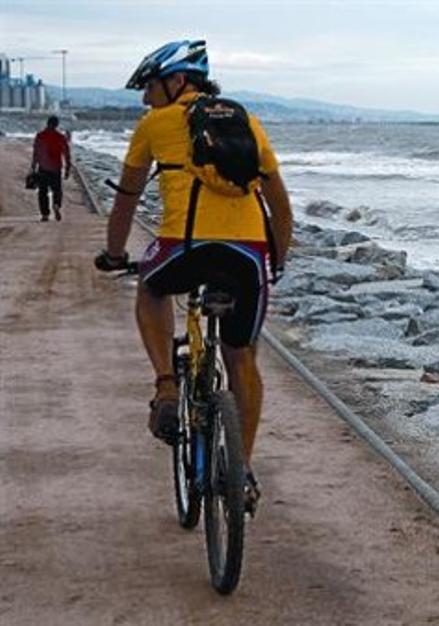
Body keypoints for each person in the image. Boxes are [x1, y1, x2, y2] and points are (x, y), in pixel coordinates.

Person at [93, 40, 293, 513]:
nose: (145, 98)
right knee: (242, 358)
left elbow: (125, 199)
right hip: (249, 257)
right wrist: (276, 260)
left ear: (178, 81)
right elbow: (280, 204)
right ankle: (241, 469)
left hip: (186, 250)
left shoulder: (154, 125)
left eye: (150, 87)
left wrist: (115, 252)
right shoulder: (246, 121)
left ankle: (165, 384)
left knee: (150, 286)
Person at [30, 115, 72, 222]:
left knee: (42, 192)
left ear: (47, 123)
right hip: (56, 168)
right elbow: (66, 153)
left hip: (43, 168)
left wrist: (33, 166)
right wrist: (67, 168)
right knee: (57, 190)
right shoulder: (60, 137)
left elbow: (36, 152)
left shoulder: (40, 136)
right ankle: (56, 205)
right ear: (56, 125)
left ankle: (45, 214)